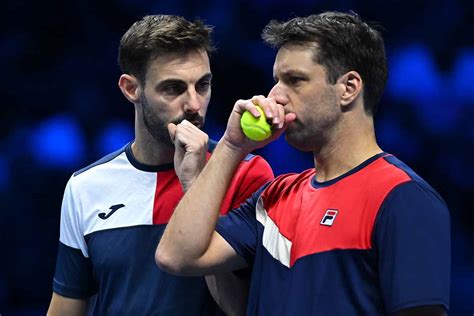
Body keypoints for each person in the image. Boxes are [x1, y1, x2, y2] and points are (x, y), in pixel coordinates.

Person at [156, 11, 450, 315]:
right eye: (276, 81)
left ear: (348, 88)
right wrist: (232, 146)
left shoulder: (402, 196)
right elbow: (177, 256)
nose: (274, 96)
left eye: (295, 80)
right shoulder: (273, 198)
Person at [47, 15, 274, 316]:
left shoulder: (247, 174)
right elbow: (66, 308)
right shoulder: (85, 186)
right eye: (173, 89)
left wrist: (194, 184)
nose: (194, 104)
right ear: (131, 89)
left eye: (203, 85)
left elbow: (242, 309)